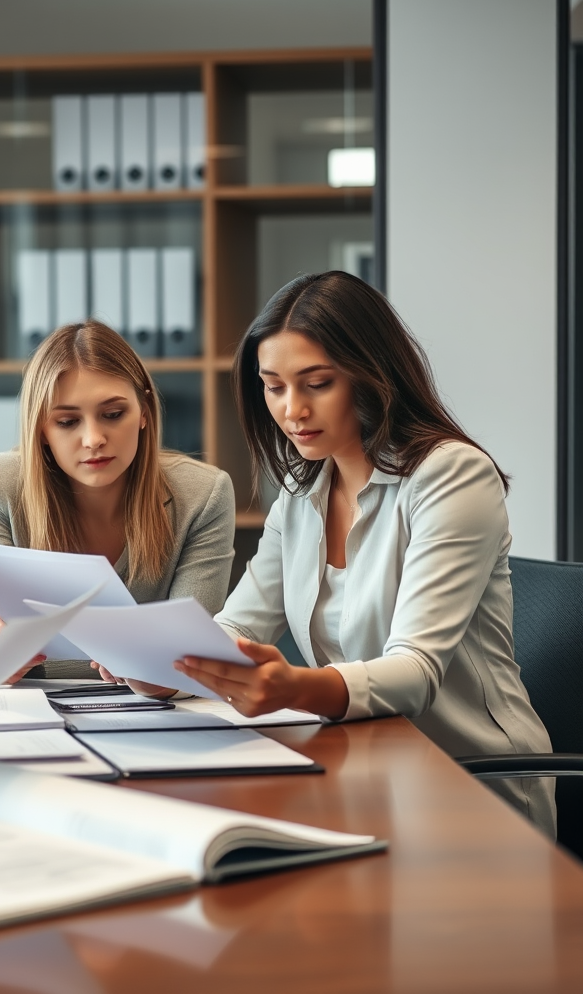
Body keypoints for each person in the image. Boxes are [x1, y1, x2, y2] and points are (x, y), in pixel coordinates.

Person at [174, 270, 555, 835]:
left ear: (372, 375)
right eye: (273, 385)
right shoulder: (304, 492)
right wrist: (169, 665)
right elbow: (235, 626)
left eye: (316, 383)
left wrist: (295, 687)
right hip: (366, 767)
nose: (291, 410)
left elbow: (416, 671)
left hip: (473, 783)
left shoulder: (451, 475)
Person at [0, 320, 236, 684]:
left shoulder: (203, 494)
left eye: (113, 415)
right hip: (34, 712)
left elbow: (196, 654)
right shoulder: (1, 483)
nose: (94, 438)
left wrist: (161, 679)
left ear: (144, 411)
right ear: (41, 430)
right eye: (67, 421)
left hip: (150, 717)